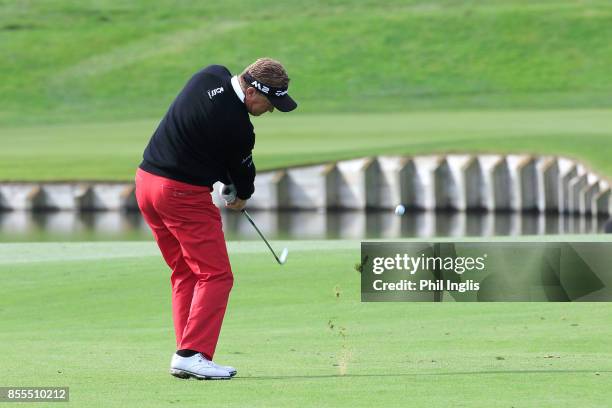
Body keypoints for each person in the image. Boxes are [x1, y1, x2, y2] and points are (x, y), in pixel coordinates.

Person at [135, 58, 297, 380]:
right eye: (270, 102)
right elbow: (242, 176)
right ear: (251, 92)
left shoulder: (209, 74)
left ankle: (186, 351)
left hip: (146, 183)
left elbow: (205, 135)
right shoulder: (239, 128)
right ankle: (192, 354)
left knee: (186, 271)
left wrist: (223, 176)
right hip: (181, 195)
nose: (272, 110)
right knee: (216, 275)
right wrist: (239, 196)